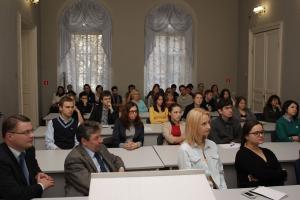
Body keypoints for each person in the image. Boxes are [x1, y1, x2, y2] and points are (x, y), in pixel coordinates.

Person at [0, 114, 54, 199]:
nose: (32, 135)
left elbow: (34, 168)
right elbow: (14, 194)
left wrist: (38, 174)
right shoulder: (2, 159)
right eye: (26, 132)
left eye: (32, 131)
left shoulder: (29, 149)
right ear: (10, 136)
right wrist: (41, 186)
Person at [64, 121, 125, 197]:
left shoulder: (101, 147)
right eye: (96, 138)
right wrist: (116, 186)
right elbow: (91, 185)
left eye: (100, 136)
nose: (100, 141)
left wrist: (121, 168)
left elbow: (115, 159)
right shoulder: (74, 159)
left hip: (111, 189)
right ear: (84, 141)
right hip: (92, 195)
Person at [178, 108, 227, 189]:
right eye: (204, 124)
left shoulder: (212, 145)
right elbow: (188, 182)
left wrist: (224, 193)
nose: (209, 127)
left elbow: (220, 173)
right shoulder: (184, 150)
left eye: (208, 122)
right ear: (194, 126)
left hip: (219, 192)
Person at [235, 120, 287, 188]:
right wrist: (280, 174)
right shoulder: (242, 155)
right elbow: (261, 175)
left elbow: (282, 176)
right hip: (253, 192)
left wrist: (280, 174)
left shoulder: (268, 152)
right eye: (256, 133)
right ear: (246, 136)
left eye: (262, 132)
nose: (261, 135)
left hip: (275, 191)